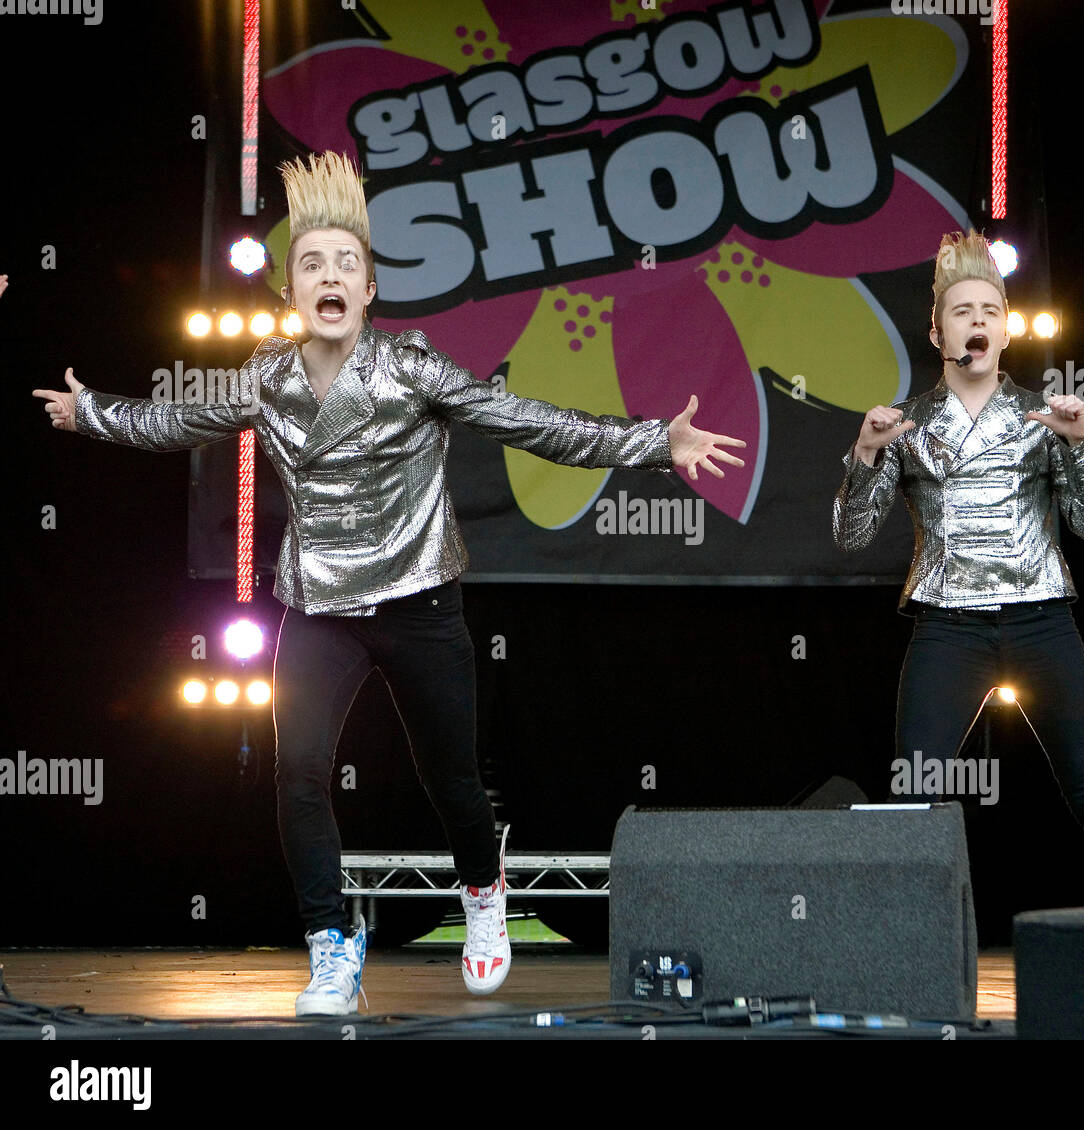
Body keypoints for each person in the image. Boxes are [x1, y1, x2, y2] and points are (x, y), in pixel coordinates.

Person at [33, 151, 746, 1015]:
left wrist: (650, 444)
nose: (329, 276)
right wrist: (94, 411)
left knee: (450, 781)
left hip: (418, 600)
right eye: (311, 265)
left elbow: (528, 422)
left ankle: (484, 895)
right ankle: (332, 948)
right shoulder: (269, 376)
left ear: (369, 290)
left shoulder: (412, 368)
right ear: (290, 295)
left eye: (346, 265)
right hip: (318, 607)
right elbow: (182, 418)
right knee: (297, 776)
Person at [832, 229, 1084, 907]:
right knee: (910, 801)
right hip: (950, 628)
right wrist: (863, 454)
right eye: (962, 312)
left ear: (1005, 334)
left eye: (990, 313)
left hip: (1041, 622)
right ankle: (896, 963)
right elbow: (853, 537)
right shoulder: (906, 423)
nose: (977, 322)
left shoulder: (1043, 418)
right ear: (937, 333)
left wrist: (1083, 446)